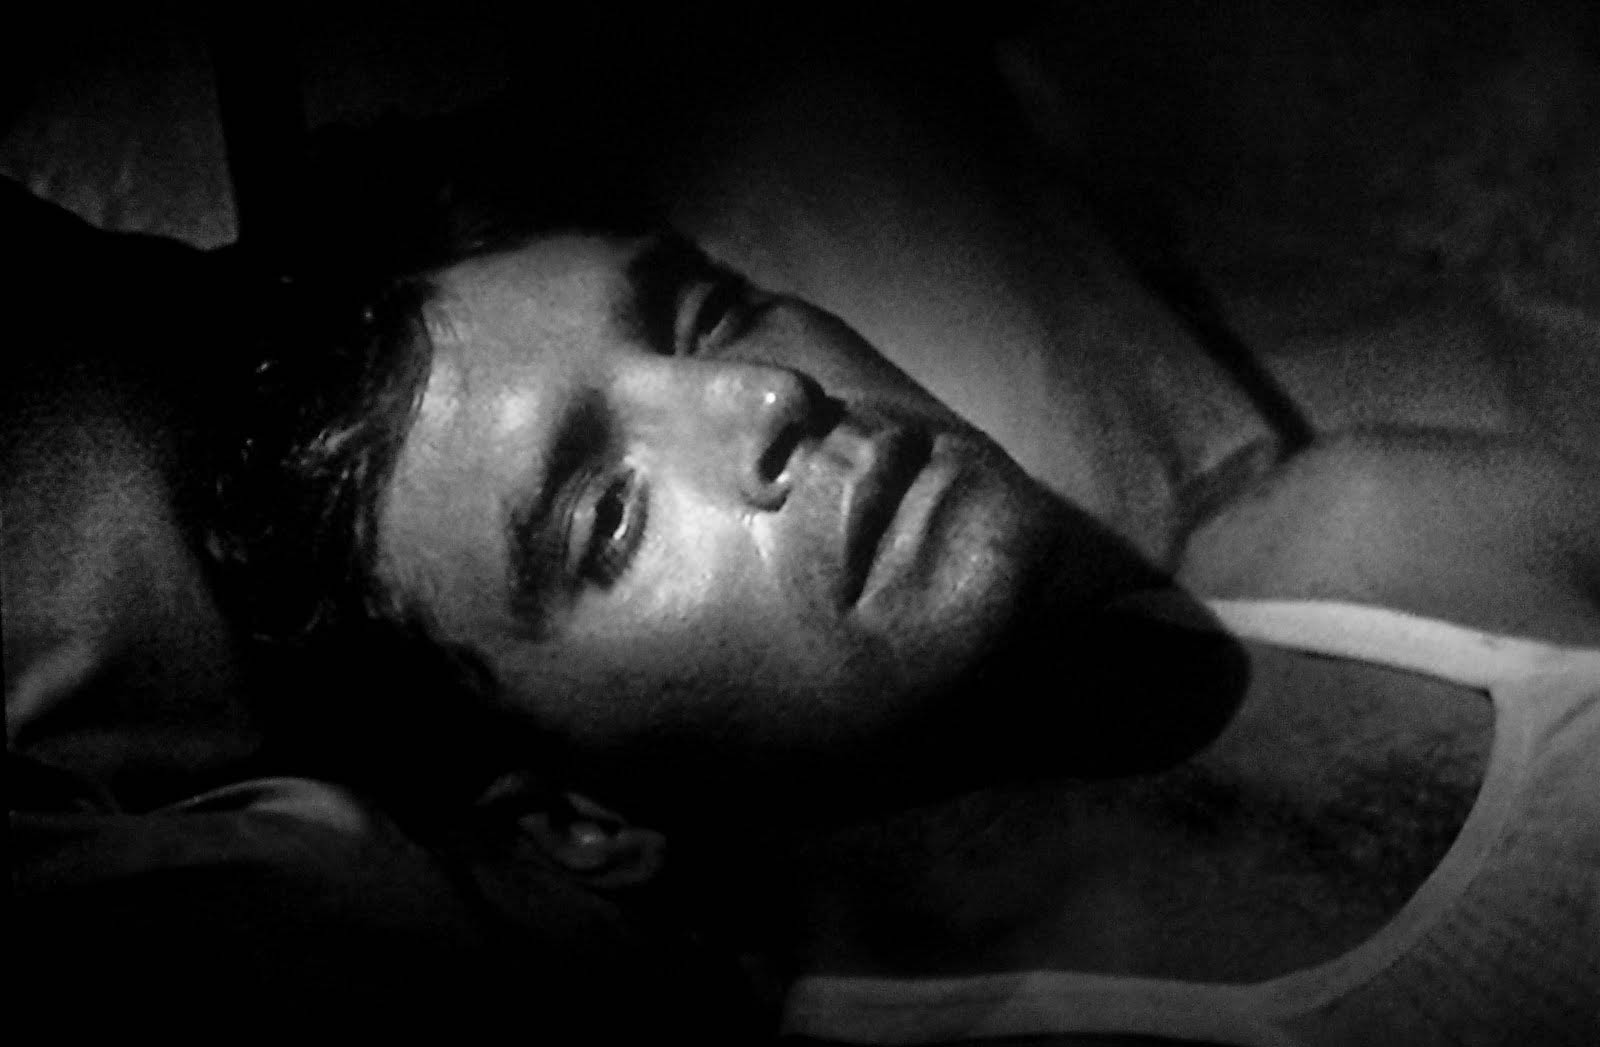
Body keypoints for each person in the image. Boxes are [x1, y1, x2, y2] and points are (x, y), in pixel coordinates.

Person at [201, 165, 1599, 1044]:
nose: (765, 397)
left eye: (707, 317)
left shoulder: (1389, 532)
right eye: (608, 516)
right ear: (581, 821)